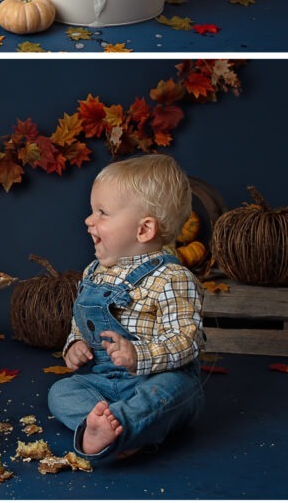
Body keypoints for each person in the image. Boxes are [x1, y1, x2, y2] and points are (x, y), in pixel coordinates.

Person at [48, 154, 205, 464]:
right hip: (105, 380)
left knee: (173, 391)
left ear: (144, 230)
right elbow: (82, 321)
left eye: (102, 213)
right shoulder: (94, 271)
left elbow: (187, 341)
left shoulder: (172, 278)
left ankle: (113, 429)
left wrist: (139, 356)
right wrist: (75, 344)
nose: (88, 220)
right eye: (93, 211)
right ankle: (118, 430)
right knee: (61, 393)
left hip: (156, 377)